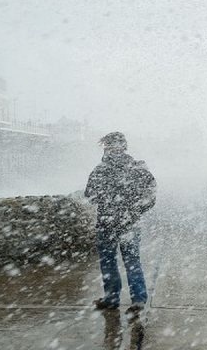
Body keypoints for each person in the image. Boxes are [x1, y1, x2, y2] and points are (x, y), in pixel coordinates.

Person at [84, 131, 156, 316]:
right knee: (132, 262)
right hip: (129, 224)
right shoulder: (137, 167)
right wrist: (135, 210)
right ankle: (138, 299)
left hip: (107, 223)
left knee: (108, 262)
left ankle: (112, 298)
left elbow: (89, 196)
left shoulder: (100, 170)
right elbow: (150, 195)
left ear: (107, 147)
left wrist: (109, 203)